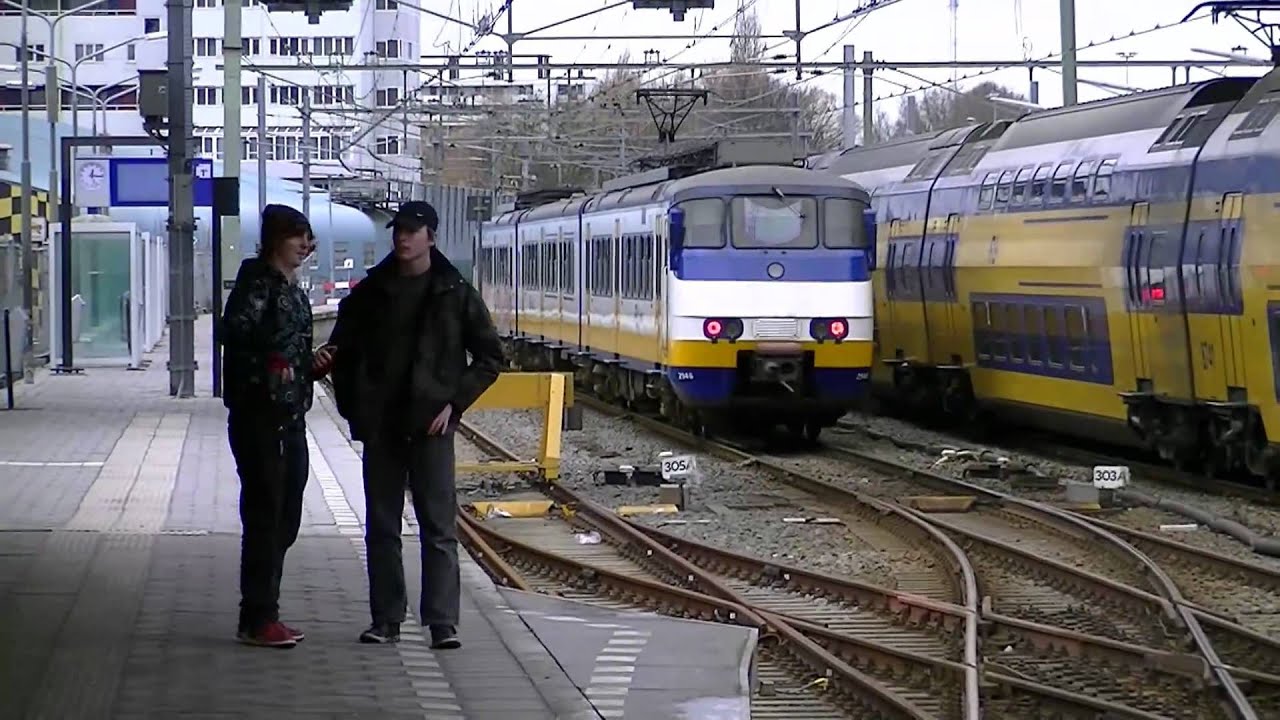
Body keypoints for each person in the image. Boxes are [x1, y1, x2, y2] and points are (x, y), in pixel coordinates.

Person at [328, 200, 502, 650]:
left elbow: (489, 359)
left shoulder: (454, 292)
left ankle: (442, 622)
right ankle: (386, 619)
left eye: (412, 230)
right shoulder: (370, 294)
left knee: (438, 527)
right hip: (383, 425)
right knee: (382, 527)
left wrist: (455, 404)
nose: (403, 238)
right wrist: (355, 409)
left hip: (432, 426)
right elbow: (340, 354)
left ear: (432, 237)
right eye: (398, 231)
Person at [222, 204, 335, 649]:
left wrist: (311, 366)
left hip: (290, 417)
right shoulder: (257, 284)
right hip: (259, 417)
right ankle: (257, 616)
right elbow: (234, 332)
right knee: (266, 516)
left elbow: (290, 355)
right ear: (275, 241)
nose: (306, 246)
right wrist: (271, 361)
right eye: (299, 238)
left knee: (285, 516)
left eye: (310, 239)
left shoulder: (292, 289)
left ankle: (265, 611)